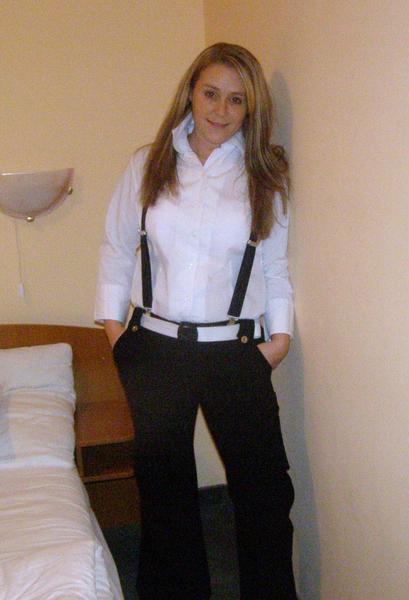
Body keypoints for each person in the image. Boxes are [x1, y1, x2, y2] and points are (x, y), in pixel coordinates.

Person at [95, 42, 297, 600]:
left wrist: (279, 340)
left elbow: (274, 265)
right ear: (190, 91)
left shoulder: (263, 174)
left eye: (236, 99)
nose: (220, 110)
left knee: (264, 493)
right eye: (211, 93)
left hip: (236, 350)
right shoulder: (148, 163)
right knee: (166, 495)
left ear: (250, 108)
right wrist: (115, 332)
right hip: (154, 348)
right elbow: (117, 248)